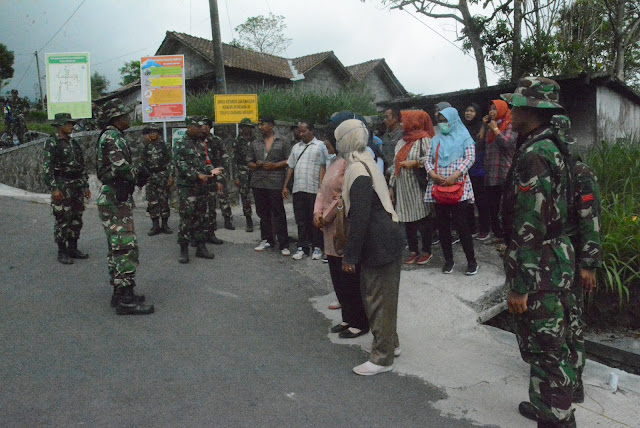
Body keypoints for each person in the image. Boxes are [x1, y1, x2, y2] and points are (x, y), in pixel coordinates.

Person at [500, 77, 578, 428]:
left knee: (549, 352)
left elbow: (530, 222)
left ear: (531, 111)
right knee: (541, 345)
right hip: (552, 261)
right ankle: (544, 407)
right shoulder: (546, 146)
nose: (510, 112)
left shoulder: (536, 154)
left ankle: (559, 419)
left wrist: (520, 283)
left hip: (540, 267)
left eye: (515, 106)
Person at [337, 119, 403, 376]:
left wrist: (350, 255)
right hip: (384, 238)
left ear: (346, 140)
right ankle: (390, 344)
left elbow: (360, 217)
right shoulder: (366, 158)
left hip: (378, 243)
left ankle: (382, 358)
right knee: (385, 298)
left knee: (378, 300)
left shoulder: (357, 170)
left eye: (338, 138)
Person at [96, 98, 154, 315]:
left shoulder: (113, 136)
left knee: (117, 246)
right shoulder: (112, 137)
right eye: (126, 115)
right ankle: (125, 299)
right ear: (117, 118)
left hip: (115, 195)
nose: (129, 118)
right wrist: (137, 177)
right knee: (124, 246)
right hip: (115, 196)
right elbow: (121, 167)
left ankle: (119, 292)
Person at [313, 124, 369, 339]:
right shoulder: (334, 162)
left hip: (340, 225)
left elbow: (342, 197)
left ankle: (359, 321)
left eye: (327, 140)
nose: (325, 144)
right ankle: (347, 318)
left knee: (349, 277)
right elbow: (322, 189)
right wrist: (316, 212)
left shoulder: (350, 164)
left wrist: (325, 215)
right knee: (336, 274)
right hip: (327, 227)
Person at [425, 107, 478, 275]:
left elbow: (470, 158)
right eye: (440, 120)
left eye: (445, 120)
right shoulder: (435, 140)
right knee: (443, 227)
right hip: (439, 188)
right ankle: (448, 261)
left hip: (459, 189)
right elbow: (427, 159)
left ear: (454, 120)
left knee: (462, 226)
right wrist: (432, 173)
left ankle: (471, 261)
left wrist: (455, 175)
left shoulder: (465, 137)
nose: (443, 124)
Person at [42, 113, 90, 265]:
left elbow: (81, 165)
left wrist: (85, 185)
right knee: (63, 218)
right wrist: (54, 188)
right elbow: (47, 168)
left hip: (76, 184)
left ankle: (73, 247)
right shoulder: (52, 143)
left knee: (77, 217)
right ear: (60, 125)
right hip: (62, 184)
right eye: (68, 124)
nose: (71, 126)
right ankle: (62, 251)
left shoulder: (73, 143)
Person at [173, 116, 223, 263]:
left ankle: (201, 247)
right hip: (187, 188)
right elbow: (181, 165)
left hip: (202, 187)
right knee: (187, 218)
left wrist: (212, 171)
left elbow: (205, 162)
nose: (201, 129)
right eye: (197, 127)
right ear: (189, 128)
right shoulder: (180, 144)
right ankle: (184, 249)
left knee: (201, 217)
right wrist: (197, 175)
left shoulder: (201, 144)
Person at [388, 110, 435, 265]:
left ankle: (426, 250)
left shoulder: (424, 140)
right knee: (407, 220)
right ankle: (413, 250)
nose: (401, 124)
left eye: (404, 121)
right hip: (402, 187)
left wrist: (414, 163)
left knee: (422, 218)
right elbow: (395, 165)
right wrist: (391, 187)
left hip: (417, 186)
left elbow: (433, 159)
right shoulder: (402, 142)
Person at [283, 122, 327, 260]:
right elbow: (290, 167)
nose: (301, 134)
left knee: (314, 219)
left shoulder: (320, 146)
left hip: (313, 189)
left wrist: (321, 187)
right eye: (299, 132)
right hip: (298, 188)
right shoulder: (296, 147)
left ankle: (317, 247)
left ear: (311, 131)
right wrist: (285, 186)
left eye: (304, 131)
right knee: (300, 219)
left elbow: (322, 166)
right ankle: (302, 246)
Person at [247, 115, 291, 255]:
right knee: (263, 212)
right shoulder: (255, 143)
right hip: (258, 182)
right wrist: (256, 165)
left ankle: (284, 243)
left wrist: (275, 165)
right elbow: (248, 161)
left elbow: (290, 160)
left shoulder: (282, 141)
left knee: (278, 212)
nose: (260, 127)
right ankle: (267, 239)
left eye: (262, 124)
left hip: (275, 181)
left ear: (271, 126)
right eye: (259, 125)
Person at [479, 99, 517, 244]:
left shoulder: (509, 125)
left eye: (495, 109)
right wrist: (484, 127)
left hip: (504, 172)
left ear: (501, 109)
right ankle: (497, 235)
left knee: (506, 207)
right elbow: (480, 145)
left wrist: (496, 129)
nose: (491, 112)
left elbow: (506, 143)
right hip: (491, 174)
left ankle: (509, 237)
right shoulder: (490, 127)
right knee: (493, 206)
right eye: (490, 109)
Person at [140, 124, 174, 236]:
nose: (152, 134)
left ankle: (165, 224)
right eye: (150, 132)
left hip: (163, 176)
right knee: (152, 202)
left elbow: (171, 162)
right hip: (151, 177)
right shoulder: (146, 147)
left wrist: (171, 176)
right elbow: (142, 163)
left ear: (158, 133)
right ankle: (155, 225)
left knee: (164, 200)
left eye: (154, 132)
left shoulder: (165, 146)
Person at [205, 122, 235, 232]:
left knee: (223, 196)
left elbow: (224, 155)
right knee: (209, 199)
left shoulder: (216, 140)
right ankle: (211, 222)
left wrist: (222, 169)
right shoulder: (199, 141)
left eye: (206, 126)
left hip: (219, 171)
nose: (204, 128)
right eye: (202, 126)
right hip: (206, 173)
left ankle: (227, 219)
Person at [233, 118, 255, 232]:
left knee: (259, 194)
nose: (247, 129)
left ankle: (264, 219)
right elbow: (234, 160)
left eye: (249, 127)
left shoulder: (256, 140)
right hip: (242, 171)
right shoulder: (237, 141)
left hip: (255, 170)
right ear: (241, 128)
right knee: (245, 196)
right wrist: (236, 176)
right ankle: (249, 220)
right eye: (244, 126)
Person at [381, 108, 403, 176]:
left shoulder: (401, 134)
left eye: (387, 117)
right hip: (387, 174)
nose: (385, 120)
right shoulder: (386, 135)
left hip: (397, 173)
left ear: (395, 118)